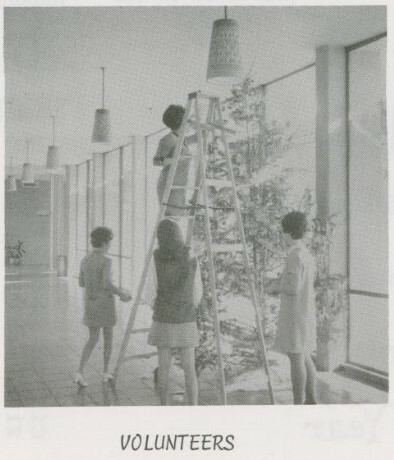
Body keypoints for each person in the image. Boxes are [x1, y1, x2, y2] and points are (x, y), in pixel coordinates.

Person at [266, 211, 317, 405]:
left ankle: (298, 403)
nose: (281, 236)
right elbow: (296, 281)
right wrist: (277, 281)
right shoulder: (305, 253)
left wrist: (275, 287)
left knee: (296, 357)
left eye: (282, 232)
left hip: (296, 314)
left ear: (288, 233)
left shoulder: (294, 255)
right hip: (304, 311)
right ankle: (311, 400)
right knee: (304, 355)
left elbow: (292, 287)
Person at [148, 219, 200, 405]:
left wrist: (159, 305)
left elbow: (150, 292)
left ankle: (164, 407)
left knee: (163, 368)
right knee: (189, 368)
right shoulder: (190, 254)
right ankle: (192, 407)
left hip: (163, 316)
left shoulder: (155, 257)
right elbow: (197, 292)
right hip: (185, 316)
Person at [74, 227, 132, 386]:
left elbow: (81, 282)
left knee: (92, 339)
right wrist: (122, 293)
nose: (110, 246)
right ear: (105, 242)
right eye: (110, 242)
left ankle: (80, 372)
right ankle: (106, 372)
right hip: (105, 303)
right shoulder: (107, 260)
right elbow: (106, 283)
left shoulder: (85, 260)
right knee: (108, 339)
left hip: (90, 302)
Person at [153, 105, 195, 216]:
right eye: (186, 119)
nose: (189, 122)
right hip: (169, 185)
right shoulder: (168, 139)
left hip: (179, 185)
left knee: (178, 217)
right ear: (181, 121)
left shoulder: (182, 139)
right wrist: (174, 159)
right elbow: (156, 161)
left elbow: (197, 137)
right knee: (173, 218)